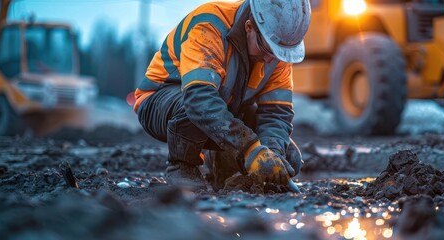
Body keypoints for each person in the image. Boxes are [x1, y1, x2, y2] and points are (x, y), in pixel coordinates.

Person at [133, 0, 311, 190]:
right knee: (194, 104)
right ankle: (182, 166)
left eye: (279, 54)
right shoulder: (210, 26)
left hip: (223, 108)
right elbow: (199, 98)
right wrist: (250, 149)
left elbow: (276, 113)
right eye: (267, 50)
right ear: (249, 27)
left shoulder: (276, 48)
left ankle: (222, 167)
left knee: (289, 157)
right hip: (160, 102)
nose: (271, 59)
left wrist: (270, 155)